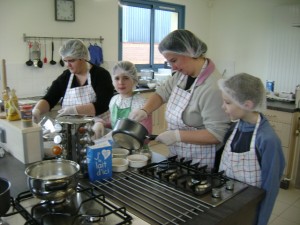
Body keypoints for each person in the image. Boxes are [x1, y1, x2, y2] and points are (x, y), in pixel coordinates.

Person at [129, 29, 230, 169]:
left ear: (191, 52)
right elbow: (161, 93)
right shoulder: (181, 75)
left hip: (201, 159)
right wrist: (144, 110)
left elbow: (216, 134)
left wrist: (177, 136)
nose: (173, 67)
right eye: (169, 62)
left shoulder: (213, 87)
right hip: (178, 153)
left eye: (174, 60)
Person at [217, 73, 285, 225]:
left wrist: (261, 221)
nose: (223, 107)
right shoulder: (235, 127)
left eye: (227, 103)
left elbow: (271, 187)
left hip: (248, 211)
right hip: (227, 202)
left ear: (247, 105)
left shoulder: (267, 139)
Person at [32, 39, 114, 138]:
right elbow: (50, 98)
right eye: (65, 61)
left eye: (71, 60)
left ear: (83, 58)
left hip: (98, 131)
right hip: (72, 133)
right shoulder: (66, 76)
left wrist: (74, 110)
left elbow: (102, 105)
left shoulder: (100, 75)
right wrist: (37, 110)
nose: (68, 65)